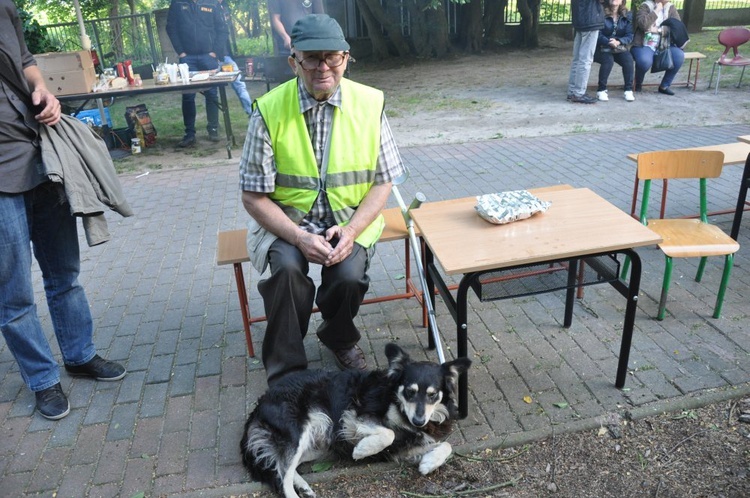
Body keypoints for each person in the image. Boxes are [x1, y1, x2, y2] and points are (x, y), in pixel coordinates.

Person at [239, 14, 406, 386]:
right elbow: (253, 196)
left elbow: (384, 182)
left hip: (350, 218)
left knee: (347, 276)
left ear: (347, 57)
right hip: (287, 223)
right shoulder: (268, 110)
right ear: (293, 61)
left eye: (333, 57)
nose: (323, 68)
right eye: (311, 58)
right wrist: (298, 237)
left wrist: (351, 230)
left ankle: (339, 337)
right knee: (287, 271)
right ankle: (287, 372)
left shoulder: (370, 103)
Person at [0, 0, 126, 421]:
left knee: (64, 272)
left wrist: (43, 90)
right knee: (13, 292)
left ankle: (79, 354)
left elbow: (25, 59)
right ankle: (42, 379)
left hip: (41, 155)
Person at [166, 0, 229, 147]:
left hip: (209, 57)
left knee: (212, 94)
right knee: (188, 96)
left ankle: (213, 128)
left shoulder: (212, 3)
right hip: (187, 58)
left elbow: (222, 29)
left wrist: (215, 52)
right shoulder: (178, 3)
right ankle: (189, 134)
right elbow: (171, 28)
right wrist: (181, 52)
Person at [631, 0, 685, 95]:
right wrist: (656, 10)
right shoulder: (646, 6)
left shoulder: (670, 7)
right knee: (644, 61)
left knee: (679, 56)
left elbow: (677, 27)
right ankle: (637, 83)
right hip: (644, 44)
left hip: (664, 44)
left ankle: (664, 86)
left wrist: (658, 30)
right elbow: (643, 24)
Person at [593, 0, 635, 102]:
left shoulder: (627, 15)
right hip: (601, 47)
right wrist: (608, 41)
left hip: (618, 47)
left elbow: (630, 35)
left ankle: (628, 90)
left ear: (622, 1)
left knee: (628, 60)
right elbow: (597, 33)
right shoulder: (600, 12)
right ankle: (601, 90)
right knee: (608, 60)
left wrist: (619, 41)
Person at [216, 0, 253, 115]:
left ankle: (252, 114)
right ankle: (213, 125)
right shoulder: (207, 8)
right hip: (212, 58)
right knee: (212, 92)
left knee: (239, 84)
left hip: (225, 57)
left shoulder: (224, 7)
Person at [567, 0, 605, 104]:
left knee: (577, 59)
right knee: (586, 59)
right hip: (591, 20)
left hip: (579, 20)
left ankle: (572, 91)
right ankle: (579, 93)